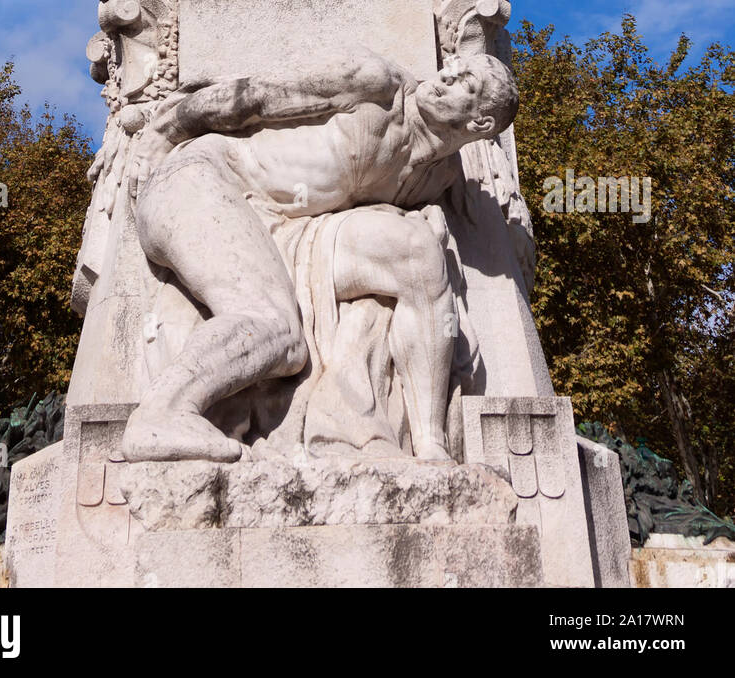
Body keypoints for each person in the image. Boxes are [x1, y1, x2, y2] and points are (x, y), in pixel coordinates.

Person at [121, 48, 518, 465]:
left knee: (420, 257)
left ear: (480, 123)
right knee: (275, 330)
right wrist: (160, 135)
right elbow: (253, 97)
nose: (443, 79)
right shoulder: (376, 83)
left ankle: (431, 445)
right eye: (450, 70)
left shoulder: (437, 176)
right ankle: (160, 416)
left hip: (284, 228)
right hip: (203, 181)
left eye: (463, 84)